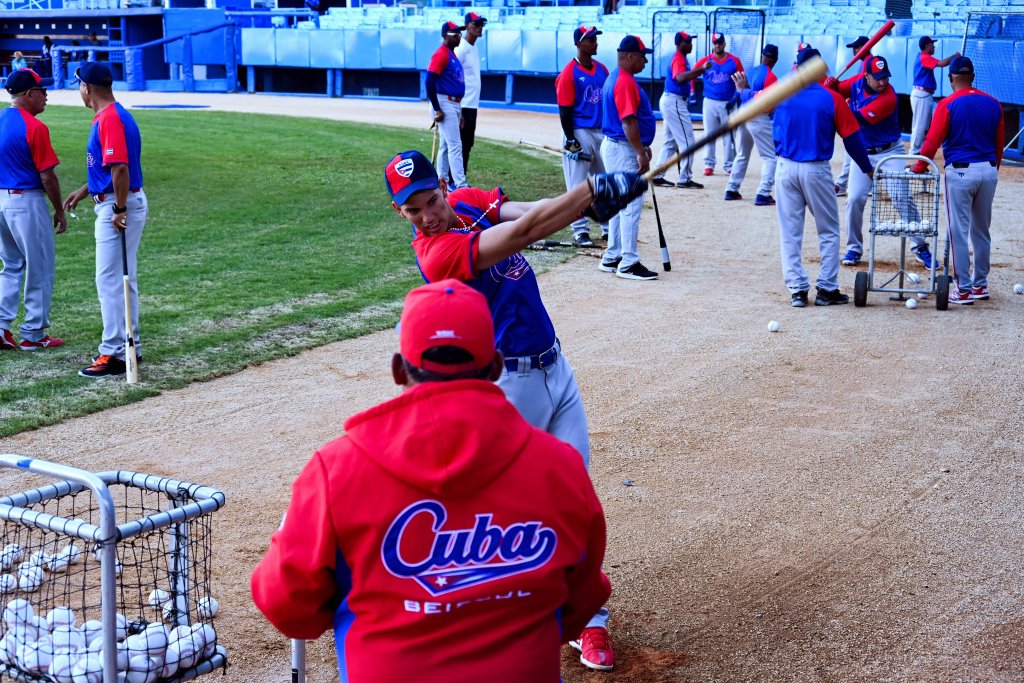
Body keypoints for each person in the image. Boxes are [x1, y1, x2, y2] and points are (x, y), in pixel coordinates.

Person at [251, 278, 612, 683]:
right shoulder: (559, 466)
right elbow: (579, 602)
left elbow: (288, 607)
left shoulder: (335, 469)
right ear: (495, 365)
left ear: (396, 369)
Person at [385, 149, 645, 671]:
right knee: (508, 509)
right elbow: (525, 233)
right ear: (402, 215)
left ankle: (587, 621)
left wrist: (588, 203)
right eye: (413, 210)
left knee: (577, 499)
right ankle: (483, 618)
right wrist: (591, 194)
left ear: (443, 187)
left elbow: (530, 209)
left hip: (556, 369)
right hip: (509, 387)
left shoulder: (466, 201)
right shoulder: (436, 253)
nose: (428, 214)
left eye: (431, 199)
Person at [62, 63, 148, 378]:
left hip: (117, 204)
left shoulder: (109, 118)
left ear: (87, 88)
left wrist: (119, 209)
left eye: (78, 86)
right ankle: (130, 347)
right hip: (118, 198)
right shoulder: (116, 114)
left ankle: (114, 353)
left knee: (111, 281)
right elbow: (111, 165)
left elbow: (121, 169)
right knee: (121, 280)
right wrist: (87, 189)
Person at [773, 49, 872, 308]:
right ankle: (827, 288)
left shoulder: (782, 93)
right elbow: (852, 138)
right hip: (815, 169)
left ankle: (797, 290)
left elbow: (755, 100)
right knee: (828, 230)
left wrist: (742, 91)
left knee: (790, 232)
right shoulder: (832, 98)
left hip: (784, 167)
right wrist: (866, 167)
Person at [912, 56, 1004, 305]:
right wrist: (993, 168)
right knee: (981, 231)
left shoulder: (948, 103)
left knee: (958, 232)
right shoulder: (994, 103)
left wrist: (920, 166)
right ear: (973, 76)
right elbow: (999, 145)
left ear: (951, 77)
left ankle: (963, 288)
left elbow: (931, 142)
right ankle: (980, 285)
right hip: (988, 170)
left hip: (961, 173)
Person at [827, 56, 934, 269]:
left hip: (890, 152)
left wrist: (829, 95)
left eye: (885, 77)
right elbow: (840, 87)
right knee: (854, 198)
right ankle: (854, 248)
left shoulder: (889, 97)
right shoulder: (857, 82)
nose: (883, 82)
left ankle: (921, 246)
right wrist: (832, 86)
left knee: (900, 197)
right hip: (863, 152)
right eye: (878, 78)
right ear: (866, 76)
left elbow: (855, 118)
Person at [0, 68, 66, 351]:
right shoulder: (35, 127)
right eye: (42, 90)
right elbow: (48, 176)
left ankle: (1, 327)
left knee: (11, 264)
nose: (46, 95)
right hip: (26, 202)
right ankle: (34, 334)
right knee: (39, 267)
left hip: (1, 202)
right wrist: (59, 210)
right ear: (28, 95)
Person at [600, 35, 658, 281]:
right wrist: (640, 151)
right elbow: (628, 121)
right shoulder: (623, 81)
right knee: (631, 205)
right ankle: (629, 262)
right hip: (623, 149)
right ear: (630, 56)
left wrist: (640, 145)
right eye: (643, 55)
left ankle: (613, 256)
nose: (645, 60)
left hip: (616, 147)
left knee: (617, 202)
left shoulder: (615, 77)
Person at [555, 25, 610, 247]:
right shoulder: (569, 73)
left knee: (605, 183)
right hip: (579, 132)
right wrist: (570, 139)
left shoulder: (602, 70)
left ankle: (608, 227)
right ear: (579, 44)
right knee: (578, 186)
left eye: (596, 39)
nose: (595, 43)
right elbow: (564, 110)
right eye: (591, 40)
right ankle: (580, 231)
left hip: (601, 133)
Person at [724, 44, 778, 206]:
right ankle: (763, 193)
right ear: (775, 59)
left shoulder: (750, 71)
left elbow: (739, 94)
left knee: (742, 153)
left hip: (744, 115)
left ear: (762, 56)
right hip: (759, 117)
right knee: (770, 157)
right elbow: (768, 105)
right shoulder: (771, 76)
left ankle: (732, 189)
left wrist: (733, 102)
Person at [651, 31, 704, 191]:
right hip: (674, 101)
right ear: (679, 43)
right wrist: (701, 69)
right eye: (687, 41)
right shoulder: (678, 58)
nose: (690, 44)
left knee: (670, 142)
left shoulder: (682, 58)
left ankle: (657, 175)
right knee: (688, 142)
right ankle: (685, 178)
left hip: (672, 100)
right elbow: (680, 77)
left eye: (690, 41)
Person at [694, 33, 743, 177]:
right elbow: (693, 74)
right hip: (709, 101)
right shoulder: (706, 61)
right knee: (710, 134)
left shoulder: (734, 61)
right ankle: (709, 164)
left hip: (728, 102)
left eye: (720, 43)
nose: (718, 45)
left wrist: (736, 97)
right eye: (715, 43)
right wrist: (691, 92)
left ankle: (729, 165)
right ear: (712, 44)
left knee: (730, 135)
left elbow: (742, 79)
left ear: (724, 44)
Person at [426, 22, 467, 190]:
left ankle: (443, 181)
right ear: (445, 36)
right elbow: (429, 80)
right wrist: (437, 108)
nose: (459, 36)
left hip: (453, 103)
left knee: (445, 145)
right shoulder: (441, 54)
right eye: (455, 34)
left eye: (459, 33)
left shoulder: (451, 54)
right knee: (455, 145)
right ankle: (461, 185)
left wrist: (461, 112)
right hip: (444, 102)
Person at [834, 36, 871, 197]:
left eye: (856, 47)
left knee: (858, 148)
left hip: (863, 113)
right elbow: (855, 86)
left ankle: (843, 183)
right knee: (855, 149)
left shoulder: (869, 63)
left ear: (865, 47)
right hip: (858, 109)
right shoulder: (863, 63)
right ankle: (843, 183)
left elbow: (864, 88)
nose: (854, 51)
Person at [909, 36, 959, 155]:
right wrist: (954, 56)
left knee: (923, 124)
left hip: (923, 94)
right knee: (920, 125)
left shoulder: (921, 56)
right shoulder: (924, 57)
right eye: (932, 44)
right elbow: (942, 64)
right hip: (921, 94)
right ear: (927, 46)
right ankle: (913, 151)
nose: (934, 46)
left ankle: (918, 149)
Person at [455, 12, 485, 175]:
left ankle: (459, 179)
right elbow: (452, 75)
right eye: (476, 24)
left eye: (482, 24)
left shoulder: (473, 48)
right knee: (460, 144)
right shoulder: (461, 48)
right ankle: (454, 181)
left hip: (471, 104)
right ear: (467, 26)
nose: (480, 27)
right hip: (463, 105)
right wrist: (458, 108)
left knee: (467, 143)